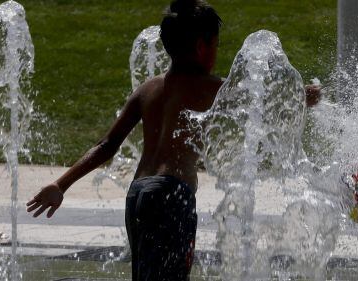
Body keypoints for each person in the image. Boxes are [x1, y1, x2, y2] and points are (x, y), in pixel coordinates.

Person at [25, 0, 320, 279]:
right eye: (215, 45)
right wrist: (305, 95)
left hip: (137, 195)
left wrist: (60, 184)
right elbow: (267, 102)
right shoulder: (210, 88)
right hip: (170, 197)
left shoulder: (148, 89)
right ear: (202, 47)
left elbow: (106, 145)